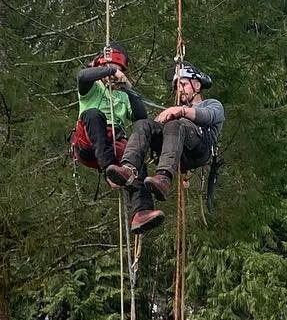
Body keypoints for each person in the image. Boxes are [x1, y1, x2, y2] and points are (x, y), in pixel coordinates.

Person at [107, 62, 224, 234]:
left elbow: (206, 116)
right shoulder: (174, 113)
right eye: (177, 86)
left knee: (176, 124)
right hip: (176, 147)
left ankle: (163, 178)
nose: (180, 89)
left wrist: (180, 111)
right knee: (144, 125)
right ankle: (129, 170)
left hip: (198, 149)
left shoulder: (212, 105)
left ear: (197, 85)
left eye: (183, 84)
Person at [71, 44, 149, 185]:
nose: (113, 76)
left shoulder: (123, 95)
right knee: (94, 114)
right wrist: (110, 70)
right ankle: (109, 169)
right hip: (89, 141)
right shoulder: (93, 87)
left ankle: (142, 206)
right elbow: (82, 76)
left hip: (114, 141)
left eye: (118, 71)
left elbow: (141, 118)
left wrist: (129, 87)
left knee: (135, 157)